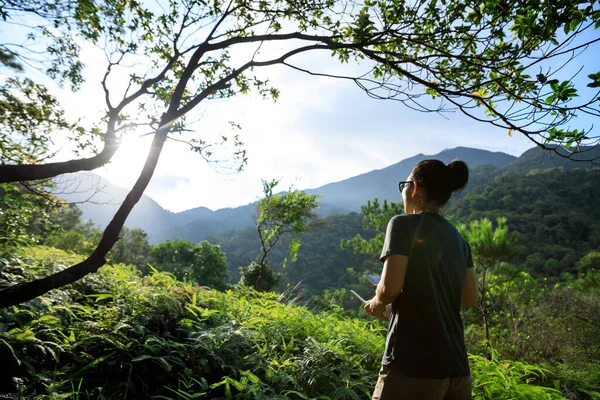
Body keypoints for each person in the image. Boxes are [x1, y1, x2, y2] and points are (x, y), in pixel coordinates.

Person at [364, 159, 479, 400]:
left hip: (412, 364)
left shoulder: (401, 224)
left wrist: (378, 300)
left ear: (415, 188)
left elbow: (390, 289)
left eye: (404, 185)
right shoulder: (459, 240)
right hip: (456, 369)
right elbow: (469, 298)